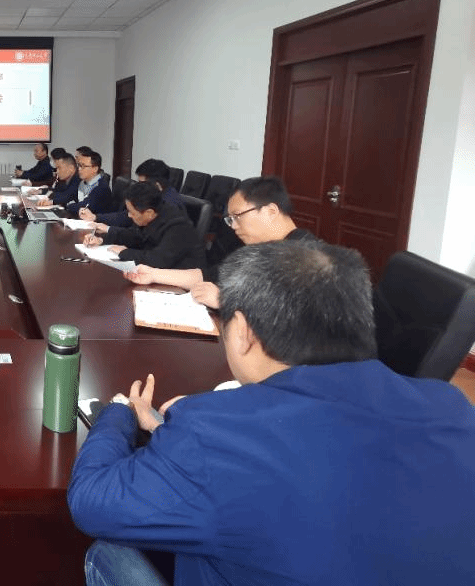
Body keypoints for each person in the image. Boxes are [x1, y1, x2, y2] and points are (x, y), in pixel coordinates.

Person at [68, 240, 475, 586]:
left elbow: (91, 501)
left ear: (243, 332)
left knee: (108, 553)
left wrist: (119, 413)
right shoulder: (452, 406)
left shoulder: (214, 430)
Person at [126, 175, 314, 307]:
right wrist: (154, 274)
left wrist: (225, 301)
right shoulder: (259, 249)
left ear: (270, 211)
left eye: (237, 216)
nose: (233, 226)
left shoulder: (308, 257)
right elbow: (210, 275)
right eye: (230, 219)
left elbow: (291, 315)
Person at [82, 182, 205, 268]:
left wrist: (125, 252)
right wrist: (102, 239)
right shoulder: (154, 213)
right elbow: (135, 235)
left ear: (149, 213)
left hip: (180, 282)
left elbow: (158, 260)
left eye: (132, 212)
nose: (129, 215)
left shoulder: (178, 226)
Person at [82, 158, 186, 229]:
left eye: (142, 183)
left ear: (156, 185)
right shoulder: (154, 195)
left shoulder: (170, 206)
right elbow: (126, 216)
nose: (138, 187)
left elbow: (140, 235)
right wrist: (96, 218)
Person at [66, 150, 113, 217]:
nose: (79, 169)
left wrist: (69, 205)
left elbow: (84, 206)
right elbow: (69, 196)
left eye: (83, 166)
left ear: (95, 169)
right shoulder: (83, 182)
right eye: (79, 165)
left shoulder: (101, 188)